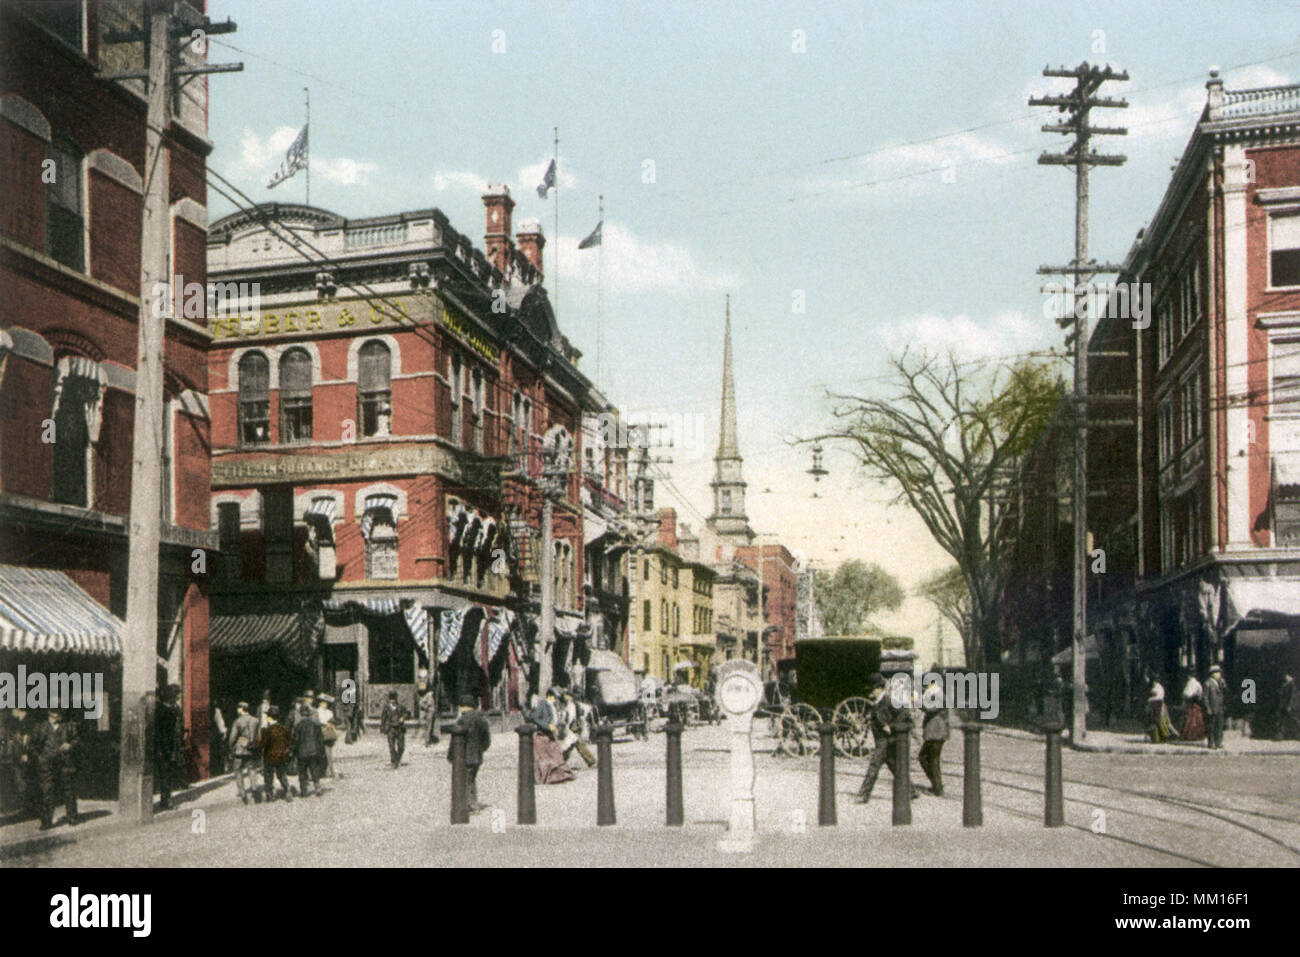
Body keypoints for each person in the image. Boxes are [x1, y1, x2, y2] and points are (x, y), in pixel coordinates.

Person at [856, 673, 918, 804]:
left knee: (874, 766)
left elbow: (905, 715)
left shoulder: (889, 700)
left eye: (872, 689)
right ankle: (911, 790)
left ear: (879, 688)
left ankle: (863, 795)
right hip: (883, 740)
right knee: (895, 766)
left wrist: (891, 727)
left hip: (886, 741)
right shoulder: (877, 703)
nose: (870, 693)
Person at [29, 709, 79, 829]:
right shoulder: (40, 727)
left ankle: (72, 817)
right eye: (55, 712)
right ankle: (46, 821)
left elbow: (77, 739)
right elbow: (33, 745)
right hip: (47, 765)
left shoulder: (70, 725)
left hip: (65, 763)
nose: (58, 715)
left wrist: (70, 745)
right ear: (49, 713)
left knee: (69, 790)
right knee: (47, 791)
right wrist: (41, 758)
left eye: (60, 712)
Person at [448, 694, 492, 811]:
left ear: (462, 707)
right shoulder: (481, 718)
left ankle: (470, 804)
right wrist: (482, 749)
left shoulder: (462, 720)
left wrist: (451, 756)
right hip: (477, 755)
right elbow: (486, 739)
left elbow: (455, 740)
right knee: (471, 778)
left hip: (464, 755)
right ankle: (472, 801)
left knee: (466, 779)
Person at [529, 689, 576, 784]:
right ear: (549, 696)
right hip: (543, 733)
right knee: (545, 757)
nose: (555, 699)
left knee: (556, 754)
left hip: (551, 733)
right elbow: (535, 717)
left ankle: (560, 774)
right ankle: (547, 777)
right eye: (554, 697)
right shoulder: (542, 704)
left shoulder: (553, 705)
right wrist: (547, 725)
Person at [917, 672, 949, 796]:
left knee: (930, 759)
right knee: (926, 758)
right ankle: (937, 785)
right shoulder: (934, 694)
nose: (925, 686)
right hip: (934, 733)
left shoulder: (939, 695)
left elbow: (930, 708)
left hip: (937, 733)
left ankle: (938, 788)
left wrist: (917, 702)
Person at [156, 683, 186, 811]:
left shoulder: (175, 708)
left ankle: (167, 798)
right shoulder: (161, 710)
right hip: (163, 746)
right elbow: (158, 730)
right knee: (164, 773)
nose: (178, 698)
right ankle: (165, 800)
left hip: (173, 745)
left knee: (169, 772)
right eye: (176, 695)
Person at [255, 706, 293, 802]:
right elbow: (291, 741)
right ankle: (287, 790)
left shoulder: (266, 731)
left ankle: (270, 795)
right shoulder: (283, 729)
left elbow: (260, 744)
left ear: (268, 717)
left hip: (269, 756)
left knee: (268, 776)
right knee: (282, 774)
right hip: (281, 755)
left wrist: (253, 746)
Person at [227, 701, 261, 804]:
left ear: (242, 709)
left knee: (237, 770)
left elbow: (232, 738)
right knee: (252, 769)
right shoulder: (255, 720)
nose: (237, 710)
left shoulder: (238, 721)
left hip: (240, 749)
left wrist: (231, 748)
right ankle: (254, 788)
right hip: (252, 749)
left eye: (238, 708)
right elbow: (259, 735)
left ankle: (242, 793)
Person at [292, 703, 325, 798]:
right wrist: (321, 751)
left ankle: (304, 790)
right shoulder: (315, 725)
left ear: (301, 714)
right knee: (314, 769)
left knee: (302, 771)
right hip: (313, 751)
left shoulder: (298, 726)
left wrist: (294, 751)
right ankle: (317, 787)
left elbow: (296, 740)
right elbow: (320, 739)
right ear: (309, 714)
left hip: (301, 752)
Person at [558, 690, 595, 769]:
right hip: (575, 727)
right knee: (571, 745)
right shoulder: (572, 705)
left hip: (573, 727)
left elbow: (571, 718)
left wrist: (567, 726)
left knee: (574, 744)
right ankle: (561, 762)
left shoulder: (571, 706)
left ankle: (560, 762)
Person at [380, 692, 410, 769]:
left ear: (396, 699)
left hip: (400, 728)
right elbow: (383, 718)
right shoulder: (386, 708)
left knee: (401, 746)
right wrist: (382, 728)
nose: (393, 701)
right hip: (391, 728)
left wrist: (403, 717)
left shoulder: (401, 707)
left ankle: (397, 759)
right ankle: (394, 761)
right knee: (391, 746)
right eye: (391, 700)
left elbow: (408, 713)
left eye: (394, 699)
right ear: (389, 700)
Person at [316, 694, 340, 778]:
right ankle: (322, 772)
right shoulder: (317, 712)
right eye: (323, 702)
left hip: (327, 734)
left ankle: (330, 771)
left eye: (326, 703)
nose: (325, 704)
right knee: (321, 754)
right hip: (321, 734)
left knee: (328, 753)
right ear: (320, 703)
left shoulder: (329, 712)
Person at [1204, 665, 1227, 750]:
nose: (1219, 674)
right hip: (1212, 708)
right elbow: (1205, 697)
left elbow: (1224, 693)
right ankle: (1211, 743)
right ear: (1212, 674)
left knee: (1219, 725)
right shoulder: (1208, 683)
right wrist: (1208, 708)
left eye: (1219, 672)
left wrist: (1223, 685)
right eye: (1217, 672)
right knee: (1211, 726)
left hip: (1220, 708)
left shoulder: (1220, 683)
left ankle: (1219, 742)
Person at [1147, 676, 1175, 743]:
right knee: (1162, 721)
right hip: (1159, 704)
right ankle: (1164, 735)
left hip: (1157, 705)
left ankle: (1165, 735)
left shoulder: (1156, 688)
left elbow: (1155, 697)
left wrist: (1149, 700)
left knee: (1159, 721)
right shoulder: (1159, 687)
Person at [1180, 672, 1206, 742]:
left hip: (1192, 702)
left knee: (1192, 719)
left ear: (1189, 676)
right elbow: (1200, 694)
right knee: (1196, 719)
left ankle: (1191, 735)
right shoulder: (1198, 683)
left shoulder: (1191, 683)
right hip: (1196, 702)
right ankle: (1198, 734)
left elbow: (1187, 694)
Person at [1279, 674, 1298, 740]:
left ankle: (1290, 734)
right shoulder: (1287, 685)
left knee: (1292, 719)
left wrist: (1289, 705)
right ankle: (1284, 734)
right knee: (1285, 719)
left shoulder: (1290, 685)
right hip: (1286, 705)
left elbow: (1291, 696)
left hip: (1289, 705)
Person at [211, 703, 228, 776]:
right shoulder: (216, 710)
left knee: (215, 753)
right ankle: (218, 770)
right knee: (217, 752)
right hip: (214, 734)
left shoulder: (215, 710)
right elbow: (220, 722)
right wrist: (223, 732)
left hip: (212, 734)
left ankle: (215, 771)